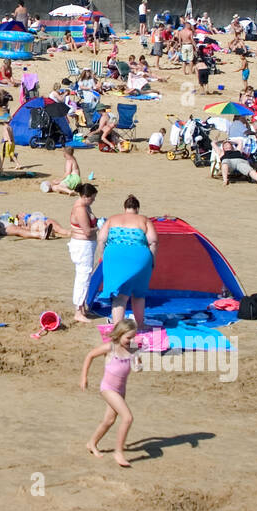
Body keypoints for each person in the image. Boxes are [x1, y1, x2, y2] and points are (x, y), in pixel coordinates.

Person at [92, 195, 157, 330]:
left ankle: (118, 328)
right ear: (137, 208)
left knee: (119, 296)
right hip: (139, 256)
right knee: (139, 294)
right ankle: (140, 324)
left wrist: (103, 256)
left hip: (114, 256)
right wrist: (152, 260)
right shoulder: (144, 220)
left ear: (125, 208)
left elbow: (101, 240)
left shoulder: (112, 219)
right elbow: (153, 242)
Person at [81, 317, 139, 467]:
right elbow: (90, 355)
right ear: (119, 334)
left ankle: (91, 443)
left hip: (121, 390)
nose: (131, 340)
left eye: (133, 337)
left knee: (109, 420)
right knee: (127, 418)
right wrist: (84, 378)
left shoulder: (132, 348)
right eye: (128, 337)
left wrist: (138, 363)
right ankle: (118, 452)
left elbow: (137, 367)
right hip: (108, 388)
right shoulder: (110, 348)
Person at [67, 183, 100, 323]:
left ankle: (82, 308)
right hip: (82, 246)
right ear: (85, 196)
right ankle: (78, 310)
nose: (93, 200)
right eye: (92, 198)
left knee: (85, 275)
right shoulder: (80, 208)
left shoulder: (85, 206)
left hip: (86, 245)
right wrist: (99, 228)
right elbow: (87, 231)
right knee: (83, 276)